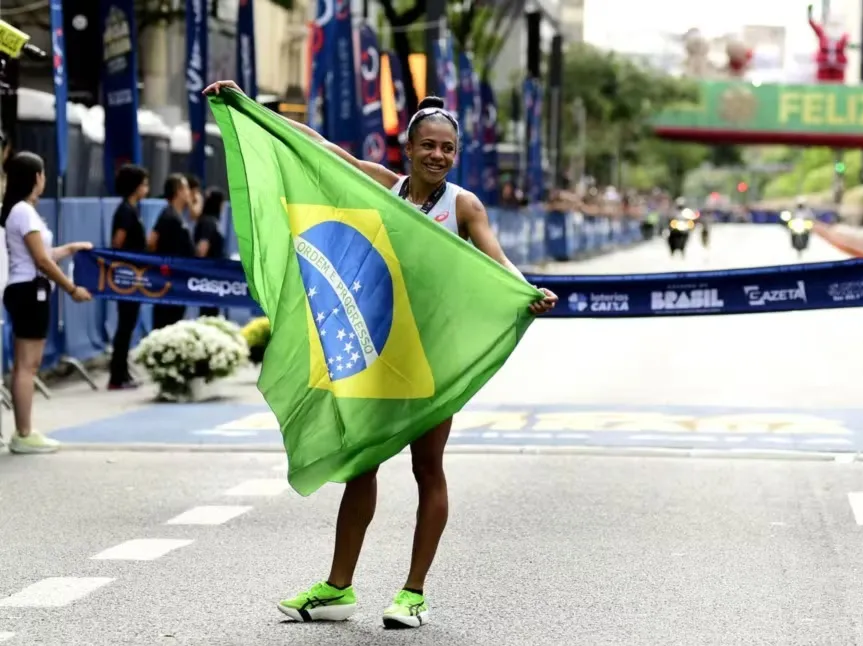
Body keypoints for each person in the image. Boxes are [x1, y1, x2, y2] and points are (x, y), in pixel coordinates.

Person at [204, 79, 558, 629]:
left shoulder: (463, 205)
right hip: (380, 348)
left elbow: (497, 260)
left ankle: (413, 593)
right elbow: (322, 150)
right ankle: (338, 588)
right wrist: (251, 109)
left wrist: (526, 289)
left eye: (447, 148)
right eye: (428, 146)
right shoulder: (386, 189)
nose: (437, 155)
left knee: (427, 468)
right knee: (362, 467)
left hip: (433, 358)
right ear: (409, 151)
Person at [1, 152, 92, 453]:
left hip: (24, 289)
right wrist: (71, 288)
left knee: (26, 364)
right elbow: (40, 260)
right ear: (36, 177)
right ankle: (24, 432)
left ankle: (23, 430)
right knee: (28, 365)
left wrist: (70, 248)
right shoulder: (24, 212)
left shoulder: (18, 211)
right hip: (31, 290)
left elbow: (42, 254)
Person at [108, 164, 150, 390]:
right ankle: (116, 375)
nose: (147, 188)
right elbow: (118, 242)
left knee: (129, 323)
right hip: (127, 276)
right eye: (144, 184)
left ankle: (123, 371)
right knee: (125, 324)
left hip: (136, 275)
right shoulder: (125, 211)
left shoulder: (133, 210)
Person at [148, 173, 194, 329]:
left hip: (179, 281)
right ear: (179, 191)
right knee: (165, 323)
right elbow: (152, 241)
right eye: (187, 188)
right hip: (168, 283)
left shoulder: (179, 216)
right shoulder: (168, 215)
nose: (189, 193)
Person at [194, 187, 226, 317]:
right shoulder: (209, 222)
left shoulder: (210, 221)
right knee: (208, 314)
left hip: (212, 277)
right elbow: (202, 249)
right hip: (209, 278)